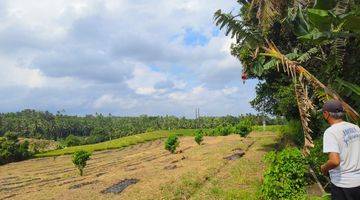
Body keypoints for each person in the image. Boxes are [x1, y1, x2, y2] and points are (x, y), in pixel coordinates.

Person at [320, 100, 360, 200]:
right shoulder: (355, 127)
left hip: (343, 185)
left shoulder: (330, 132)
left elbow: (334, 161)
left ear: (326, 114)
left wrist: (324, 168)